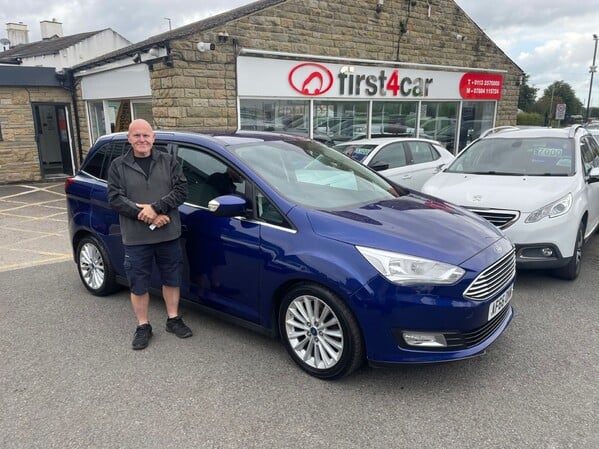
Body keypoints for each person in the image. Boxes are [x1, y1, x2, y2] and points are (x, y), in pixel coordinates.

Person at [107, 119, 191, 350]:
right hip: (136, 237)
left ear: (153, 138)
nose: (142, 140)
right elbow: (115, 198)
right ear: (129, 139)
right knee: (138, 283)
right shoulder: (118, 165)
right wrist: (149, 214)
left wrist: (157, 207)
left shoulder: (169, 161)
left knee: (172, 278)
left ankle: (173, 319)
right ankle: (143, 326)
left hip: (168, 234)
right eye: (137, 136)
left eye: (146, 135)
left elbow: (181, 190)